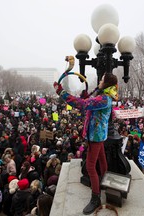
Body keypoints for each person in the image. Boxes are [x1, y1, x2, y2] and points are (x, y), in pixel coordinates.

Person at [54, 73, 118, 215]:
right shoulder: (103, 95)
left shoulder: (104, 99)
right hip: (99, 134)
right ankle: (103, 182)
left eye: (102, 79)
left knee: (90, 166)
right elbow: (88, 99)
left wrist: (61, 92)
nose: (100, 81)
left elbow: (82, 105)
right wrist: (85, 94)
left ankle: (96, 197)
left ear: (106, 83)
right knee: (101, 161)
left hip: (95, 136)